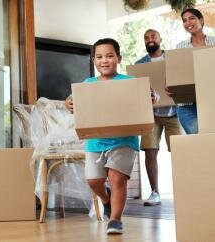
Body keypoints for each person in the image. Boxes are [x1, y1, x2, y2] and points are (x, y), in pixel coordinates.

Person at [65, 38, 158, 235]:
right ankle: (106, 199)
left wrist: (153, 97)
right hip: (95, 141)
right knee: (94, 181)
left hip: (124, 140)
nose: (104, 60)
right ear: (93, 61)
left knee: (117, 179)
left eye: (109, 56)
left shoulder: (129, 82)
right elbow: (73, 101)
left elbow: (150, 96)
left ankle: (115, 220)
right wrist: (69, 103)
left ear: (118, 58)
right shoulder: (87, 84)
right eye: (99, 57)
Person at [135, 29, 183, 206]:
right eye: (146, 38)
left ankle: (183, 189)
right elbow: (137, 90)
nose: (149, 40)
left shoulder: (172, 59)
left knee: (179, 152)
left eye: (152, 36)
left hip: (174, 113)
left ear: (160, 39)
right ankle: (155, 192)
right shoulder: (140, 64)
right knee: (150, 151)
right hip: (151, 114)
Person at [167, 8, 215, 134]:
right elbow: (176, 74)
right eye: (184, 20)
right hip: (187, 104)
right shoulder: (180, 47)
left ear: (201, 20)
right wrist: (171, 87)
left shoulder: (214, 43)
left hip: (211, 100)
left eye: (192, 18)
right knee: (198, 138)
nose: (188, 22)